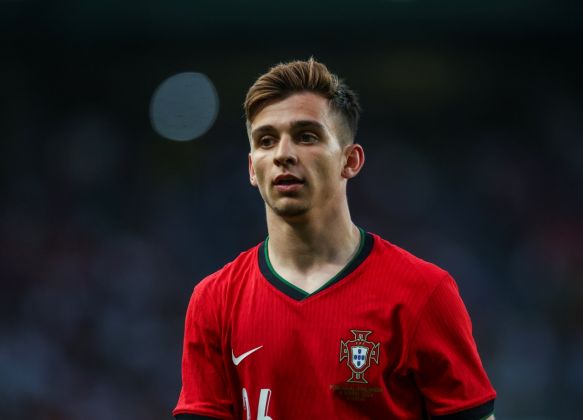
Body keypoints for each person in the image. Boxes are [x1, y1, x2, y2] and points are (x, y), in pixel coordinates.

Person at [173, 58, 496, 419]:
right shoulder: (214, 301)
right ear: (252, 168)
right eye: (266, 141)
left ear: (351, 160)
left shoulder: (425, 293)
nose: (283, 154)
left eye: (306, 136)